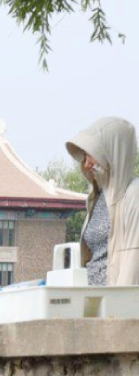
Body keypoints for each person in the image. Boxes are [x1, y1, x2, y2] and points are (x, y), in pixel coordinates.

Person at [66, 116, 139, 286]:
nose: (86, 163)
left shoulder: (133, 194)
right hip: (94, 299)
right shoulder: (96, 197)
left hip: (116, 303)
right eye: (84, 156)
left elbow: (134, 259)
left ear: (111, 151)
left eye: (90, 153)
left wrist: (120, 306)